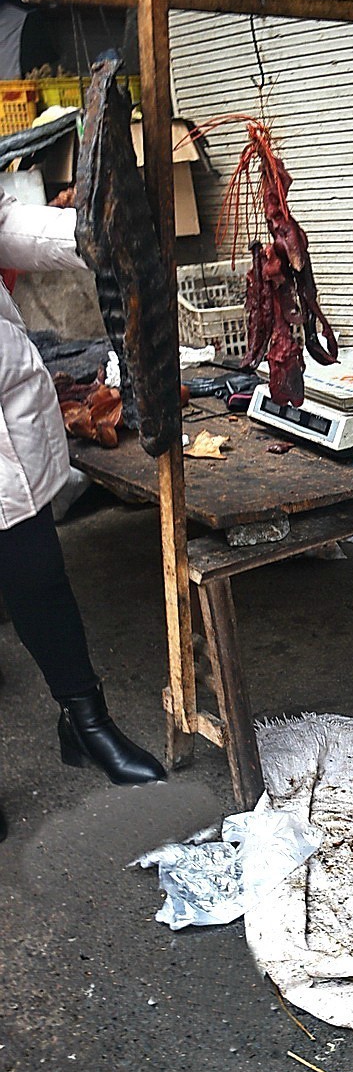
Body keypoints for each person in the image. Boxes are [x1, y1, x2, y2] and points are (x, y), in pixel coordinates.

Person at [0, 189, 166, 841]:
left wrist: (95, 234)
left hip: (8, 422)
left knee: (38, 577)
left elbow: (10, 223)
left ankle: (85, 723)